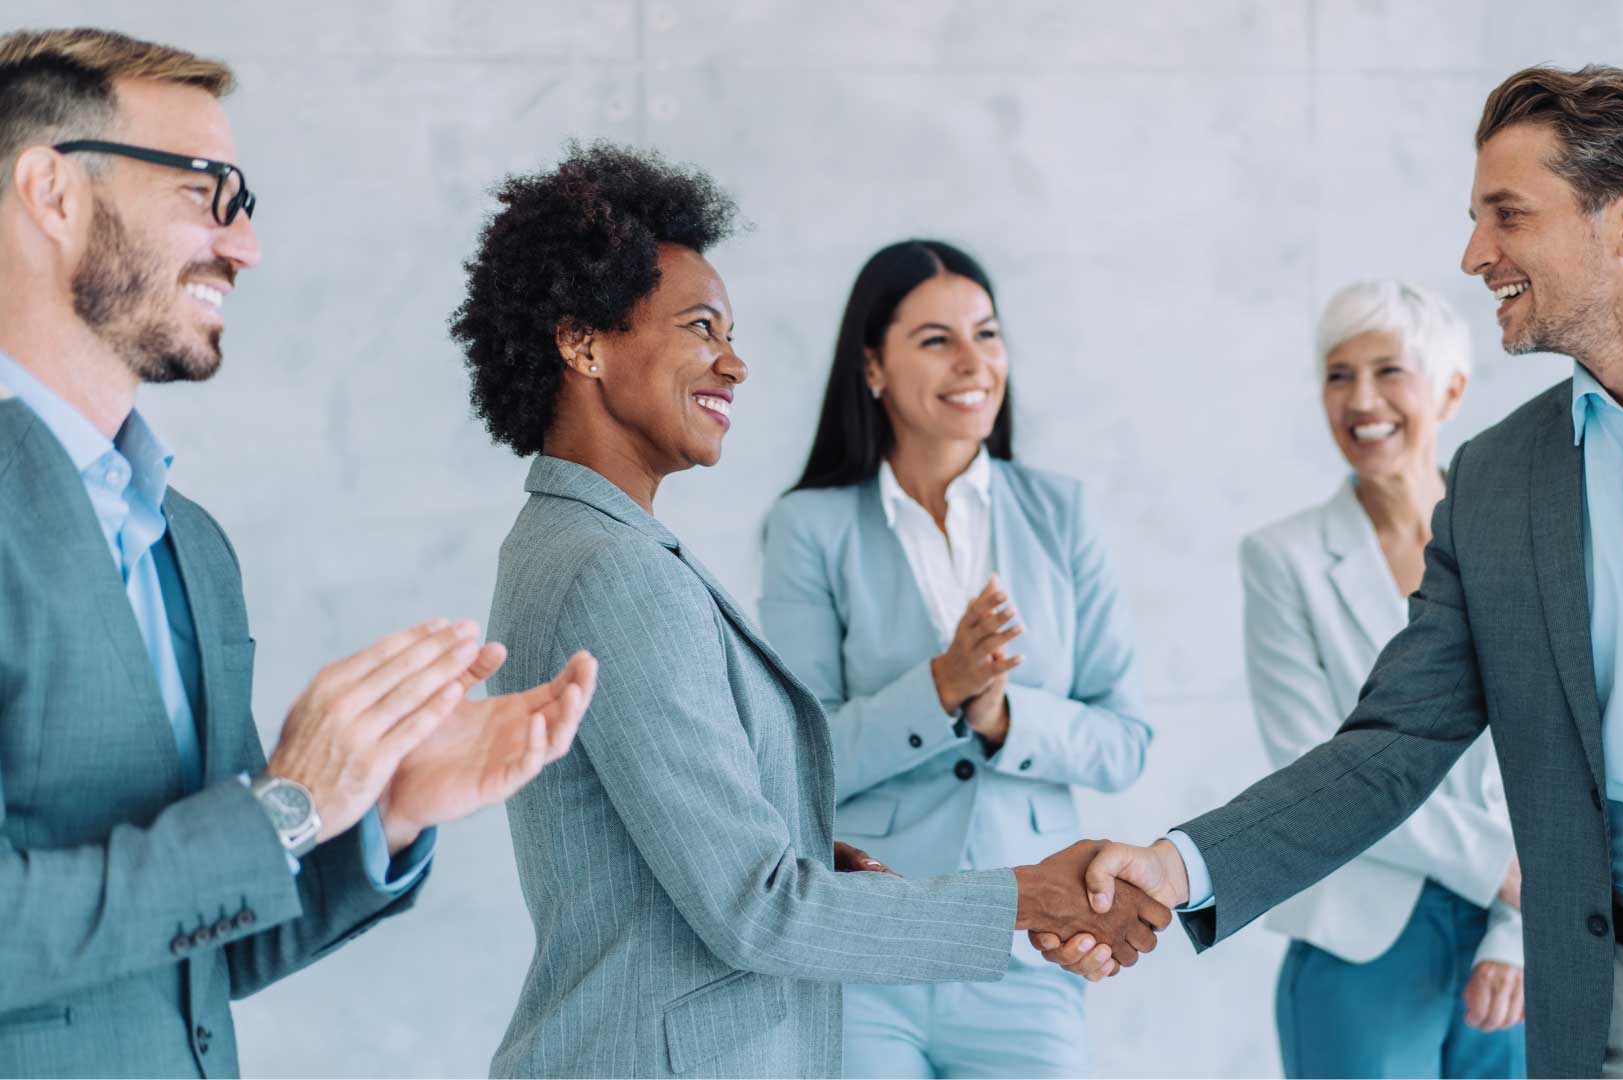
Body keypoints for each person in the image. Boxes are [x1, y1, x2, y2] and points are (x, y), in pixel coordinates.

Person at [1040, 64, 1623, 1079]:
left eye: (1508, 216)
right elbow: (1394, 741)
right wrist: (1177, 864)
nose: (1473, 255)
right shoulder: (1498, 481)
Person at [454, 144, 1168, 1079]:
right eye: (701, 326)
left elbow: (668, 822)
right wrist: (1028, 898)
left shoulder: (575, 539)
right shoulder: (615, 569)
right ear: (583, 342)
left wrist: (810, 843)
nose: (736, 363)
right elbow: (757, 907)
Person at [0, 28, 598, 1078]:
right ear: (51, 192)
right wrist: (286, 806)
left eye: (246, 206)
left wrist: (384, 809)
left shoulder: (191, 543)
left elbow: (194, 951)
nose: (245, 246)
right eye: (204, 192)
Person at [760, 239, 1152, 1078]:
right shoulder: (811, 528)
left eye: (987, 333)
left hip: (1027, 953)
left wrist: (1003, 715)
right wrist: (941, 687)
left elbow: (1125, 740)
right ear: (873, 367)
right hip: (869, 950)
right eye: (936, 339)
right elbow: (796, 761)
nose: (973, 361)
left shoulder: (1061, 513)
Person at [1240, 279, 1523, 1077]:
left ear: (1452, 388)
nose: (1361, 399)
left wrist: (1520, 925)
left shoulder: (1517, 541)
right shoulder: (1282, 560)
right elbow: (1315, 773)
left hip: (1518, 940)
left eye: (1388, 370)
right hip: (1358, 939)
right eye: (1338, 374)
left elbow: (1556, 747)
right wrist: (1496, 870)